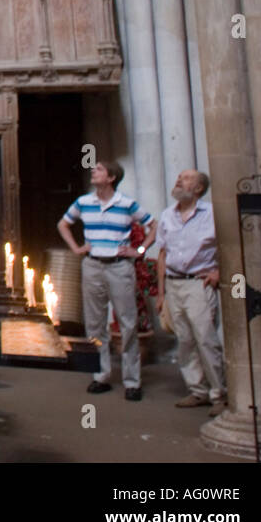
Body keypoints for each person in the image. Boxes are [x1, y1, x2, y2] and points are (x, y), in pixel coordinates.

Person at [57, 160, 155, 400]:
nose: (93, 171)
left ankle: (132, 381)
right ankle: (100, 375)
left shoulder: (126, 204)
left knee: (127, 322)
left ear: (111, 178)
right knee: (94, 323)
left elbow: (153, 226)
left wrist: (139, 251)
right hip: (93, 265)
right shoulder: (84, 202)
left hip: (119, 267)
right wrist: (77, 248)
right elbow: (63, 224)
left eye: (99, 169)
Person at [155, 170, 226, 416]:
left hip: (199, 284)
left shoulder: (211, 215)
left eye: (185, 178)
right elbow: (162, 255)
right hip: (174, 284)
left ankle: (219, 393)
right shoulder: (167, 215)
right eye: (178, 177)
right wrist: (161, 293)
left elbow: (229, 246)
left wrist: (219, 273)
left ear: (198, 189)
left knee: (205, 339)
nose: (178, 180)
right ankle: (198, 391)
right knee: (184, 341)